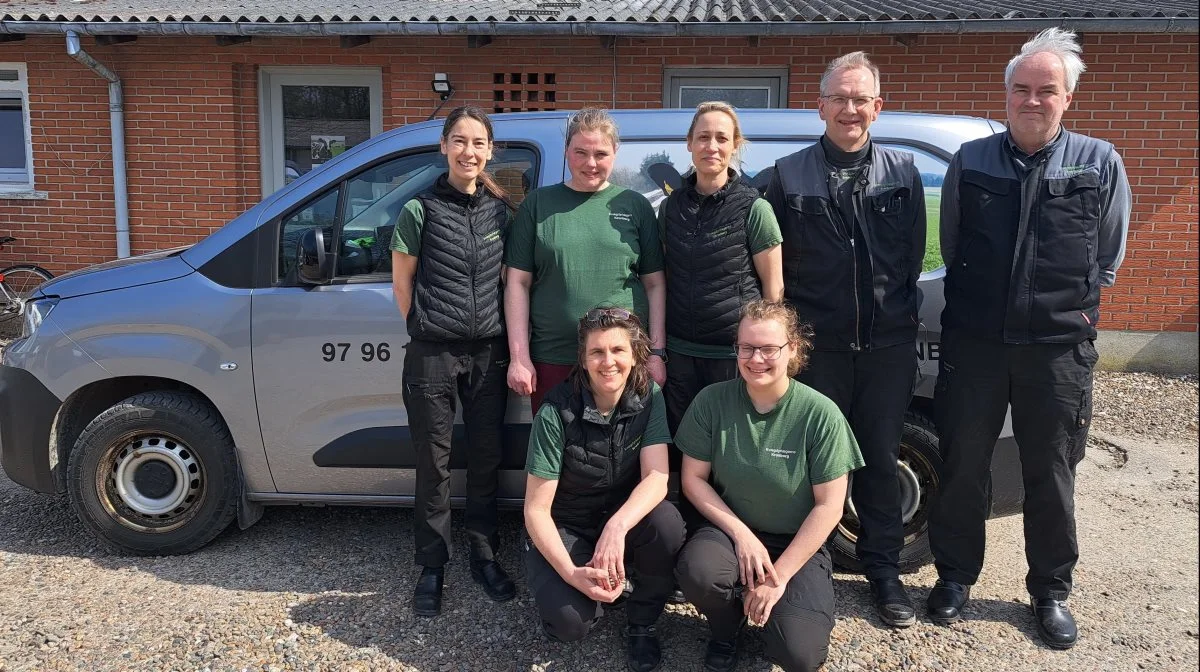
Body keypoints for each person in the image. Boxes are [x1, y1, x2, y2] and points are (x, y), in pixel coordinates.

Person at [927, 28, 1131, 649]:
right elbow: (955, 244)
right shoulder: (973, 161)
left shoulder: (1100, 162)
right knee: (963, 467)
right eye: (1022, 89)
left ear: (1068, 98)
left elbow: (1108, 256)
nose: (1032, 100)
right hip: (977, 346)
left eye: (1047, 90)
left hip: (1057, 351)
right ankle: (956, 577)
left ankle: (1050, 591)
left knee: (1051, 471)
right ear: (1007, 94)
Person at [764, 51, 927, 627]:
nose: (850, 109)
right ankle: (814, 570)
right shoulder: (785, 175)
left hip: (886, 348)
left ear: (877, 108)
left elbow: (910, 260)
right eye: (839, 97)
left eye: (861, 99)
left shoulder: (904, 174)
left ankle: (885, 573)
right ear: (821, 106)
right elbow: (750, 236)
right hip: (818, 349)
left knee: (880, 460)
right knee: (815, 463)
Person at [675, 300, 865, 672]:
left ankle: (773, 610)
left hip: (794, 542)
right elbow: (692, 480)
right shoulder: (712, 402)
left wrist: (778, 579)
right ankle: (727, 628)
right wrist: (742, 535)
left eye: (768, 349)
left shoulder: (820, 414)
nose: (755, 358)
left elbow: (829, 506)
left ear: (792, 349)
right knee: (700, 572)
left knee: (799, 655)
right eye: (746, 347)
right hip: (731, 534)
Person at [390, 105, 516, 618]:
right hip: (433, 353)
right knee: (434, 464)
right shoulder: (418, 210)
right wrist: (424, 326)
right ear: (443, 146)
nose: (469, 152)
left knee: (485, 458)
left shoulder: (499, 211)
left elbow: (512, 279)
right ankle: (432, 564)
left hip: (489, 350)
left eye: (478, 143)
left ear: (490, 151)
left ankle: (484, 553)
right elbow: (403, 283)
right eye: (459, 141)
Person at [523, 307, 685, 672]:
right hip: (569, 524)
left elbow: (657, 477)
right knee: (570, 623)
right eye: (597, 352)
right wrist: (569, 572)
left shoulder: (649, 396)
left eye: (618, 350)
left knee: (668, 524)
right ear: (582, 358)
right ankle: (566, 578)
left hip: (618, 520)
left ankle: (643, 620)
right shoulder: (555, 412)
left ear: (635, 355)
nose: (608, 362)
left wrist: (617, 527)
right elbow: (535, 510)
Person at [505, 108, 667, 413]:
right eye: (581, 152)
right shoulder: (538, 204)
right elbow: (517, 282)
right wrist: (519, 357)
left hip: (620, 360)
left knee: (619, 453)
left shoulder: (635, 206)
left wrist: (656, 352)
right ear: (566, 151)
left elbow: (655, 284)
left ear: (615, 153)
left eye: (600, 153)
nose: (590, 163)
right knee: (554, 451)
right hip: (554, 357)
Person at [660, 101, 784, 437]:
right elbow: (666, 276)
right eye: (703, 137)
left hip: (733, 358)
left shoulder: (754, 209)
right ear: (689, 143)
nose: (711, 146)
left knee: (731, 451)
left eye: (721, 138)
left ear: (734, 145)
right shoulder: (672, 207)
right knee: (685, 447)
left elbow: (774, 292)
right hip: (681, 355)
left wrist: (762, 354)